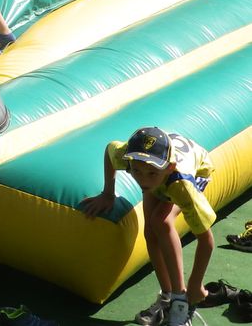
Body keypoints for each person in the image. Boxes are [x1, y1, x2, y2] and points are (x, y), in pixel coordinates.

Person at [81, 127, 216, 326]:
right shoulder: (140, 166)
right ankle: (167, 297)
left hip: (191, 172)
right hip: (162, 175)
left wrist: (195, 283)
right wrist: (108, 193)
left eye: (150, 173)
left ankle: (181, 301)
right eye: (136, 171)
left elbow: (206, 241)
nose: (142, 180)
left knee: (160, 221)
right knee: (150, 232)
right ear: (130, 163)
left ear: (168, 167)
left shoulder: (182, 184)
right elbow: (110, 150)